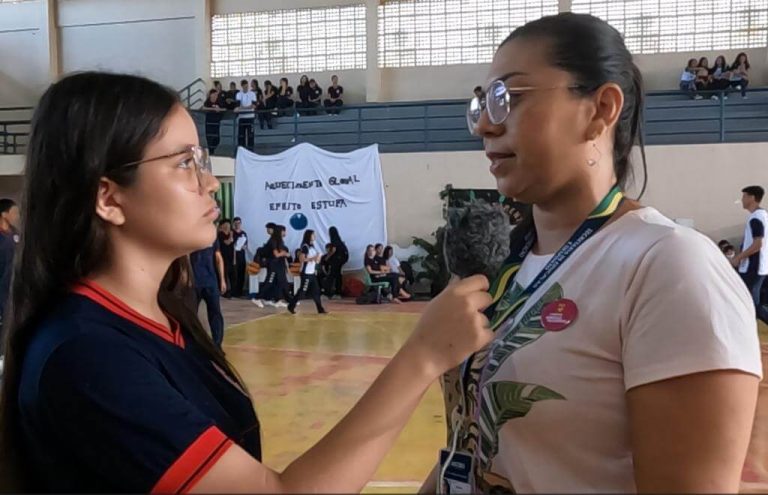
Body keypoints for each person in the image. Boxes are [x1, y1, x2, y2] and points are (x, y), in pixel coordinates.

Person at [0, 71, 494, 493]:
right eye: (183, 163)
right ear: (108, 198)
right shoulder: (89, 356)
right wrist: (421, 357)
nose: (209, 181)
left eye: (203, 158)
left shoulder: (161, 317)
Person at [435, 12, 762, 493]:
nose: (484, 124)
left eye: (509, 98)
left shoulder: (668, 266)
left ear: (601, 109)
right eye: (483, 103)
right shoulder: (511, 267)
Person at [732, 185, 768, 323]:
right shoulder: (763, 215)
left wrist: (738, 258)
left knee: (752, 305)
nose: (742, 200)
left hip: (753, 266)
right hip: (759, 266)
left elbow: (757, 244)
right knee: (751, 303)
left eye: (744, 196)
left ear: (752, 198)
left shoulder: (756, 218)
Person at [190, 238, 227, 347]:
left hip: (211, 281)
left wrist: (222, 280)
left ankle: (217, 344)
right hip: (194, 282)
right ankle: (192, 342)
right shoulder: (190, 236)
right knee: (191, 314)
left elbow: (218, 258)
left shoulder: (213, 237)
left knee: (215, 313)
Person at [287, 230, 326, 315]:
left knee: (316, 291)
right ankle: (291, 305)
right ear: (309, 236)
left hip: (312, 273)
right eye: (313, 235)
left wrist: (318, 258)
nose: (314, 236)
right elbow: (302, 259)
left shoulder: (313, 247)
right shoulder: (305, 246)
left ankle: (320, 309)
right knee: (302, 292)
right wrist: (312, 258)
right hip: (306, 273)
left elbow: (316, 260)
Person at [252, 226, 290, 308]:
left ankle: (276, 300)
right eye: (283, 231)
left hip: (277, 265)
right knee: (269, 281)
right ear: (280, 232)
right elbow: (276, 254)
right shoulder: (273, 241)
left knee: (278, 282)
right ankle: (256, 298)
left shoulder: (279, 241)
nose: (285, 233)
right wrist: (283, 253)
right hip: (272, 264)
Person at [0, 199, 19, 333]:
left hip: (15, 294)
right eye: (14, 212)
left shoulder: (16, 235)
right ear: (4, 214)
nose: (17, 216)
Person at [324, 226, 348, 298]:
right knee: (338, 276)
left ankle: (328, 293)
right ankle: (338, 292)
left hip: (337, 260)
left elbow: (333, 250)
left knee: (331, 276)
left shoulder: (334, 240)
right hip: (341, 260)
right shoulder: (340, 241)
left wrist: (327, 257)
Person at [217, 219, 236, 298]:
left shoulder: (232, 233)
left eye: (228, 224)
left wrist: (235, 258)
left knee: (232, 274)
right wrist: (231, 235)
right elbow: (227, 242)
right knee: (225, 274)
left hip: (231, 257)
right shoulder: (220, 234)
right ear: (222, 226)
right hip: (223, 257)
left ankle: (232, 291)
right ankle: (225, 291)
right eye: (226, 225)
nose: (228, 226)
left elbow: (233, 246)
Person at [236, 80, 257, 148]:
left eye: (247, 86)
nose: (246, 87)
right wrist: (248, 107)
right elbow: (238, 106)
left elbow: (254, 106)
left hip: (250, 117)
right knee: (241, 135)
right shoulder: (239, 94)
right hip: (242, 117)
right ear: (242, 86)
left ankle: (251, 149)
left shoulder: (252, 94)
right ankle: (241, 149)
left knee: (251, 135)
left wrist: (243, 108)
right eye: (244, 86)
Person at [202, 89, 224, 155]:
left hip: (216, 122)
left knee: (217, 139)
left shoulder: (219, 100)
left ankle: (213, 149)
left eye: (216, 95)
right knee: (209, 137)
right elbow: (204, 108)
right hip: (209, 122)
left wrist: (219, 109)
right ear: (211, 95)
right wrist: (213, 109)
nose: (216, 96)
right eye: (214, 94)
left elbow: (224, 108)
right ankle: (211, 151)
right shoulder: (208, 101)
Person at [231, 216, 248, 298]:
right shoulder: (232, 233)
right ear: (233, 224)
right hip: (234, 255)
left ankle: (240, 292)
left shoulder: (244, 233)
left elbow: (246, 245)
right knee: (235, 274)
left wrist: (244, 247)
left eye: (239, 223)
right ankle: (234, 292)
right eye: (236, 223)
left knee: (241, 274)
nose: (238, 225)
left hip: (241, 256)